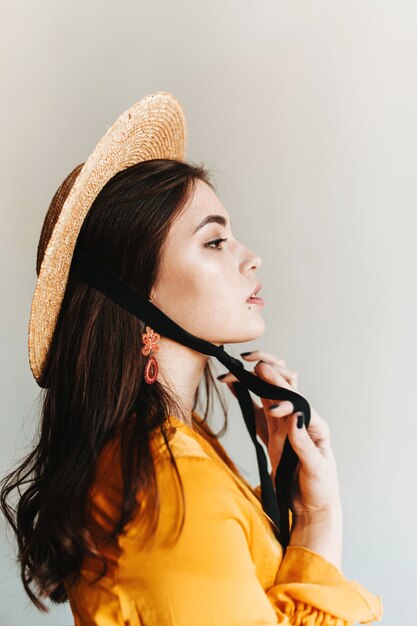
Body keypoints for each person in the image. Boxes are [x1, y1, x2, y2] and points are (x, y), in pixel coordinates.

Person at [0, 92, 383, 625]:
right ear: (140, 291)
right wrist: (319, 521)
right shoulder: (166, 488)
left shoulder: (173, 459)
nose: (251, 258)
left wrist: (297, 499)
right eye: (214, 242)